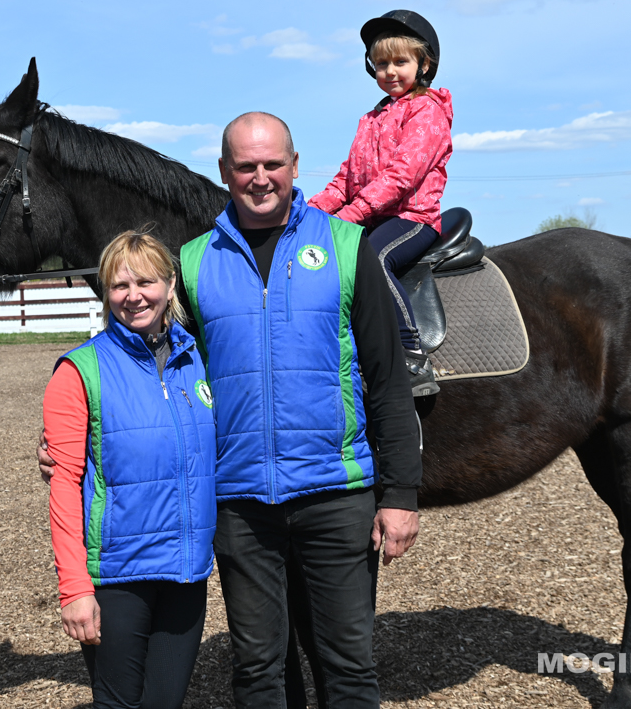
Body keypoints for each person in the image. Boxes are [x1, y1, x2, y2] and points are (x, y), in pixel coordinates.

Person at [179, 112, 422, 708]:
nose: (260, 178)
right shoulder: (192, 262)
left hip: (336, 496)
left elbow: (387, 380)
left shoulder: (345, 247)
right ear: (224, 172)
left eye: (271, 164)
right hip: (240, 505)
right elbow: (153, 370)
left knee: (347, 665)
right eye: (245, 166)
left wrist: (400, 494)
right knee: (258, 668)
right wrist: (73, 425)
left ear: (293, 167)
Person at [43, 229, 217, 709]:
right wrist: (74, 588)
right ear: (105, 293)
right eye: (119, 285)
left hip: (185, 571)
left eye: (146, 282)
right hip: (117, 576)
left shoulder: (197, 361)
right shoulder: (79, 370)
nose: (134, 296)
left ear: (169, 285)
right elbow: (64, 485)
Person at [308, 9, 454, 397]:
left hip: (413, 217)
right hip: (375, 214)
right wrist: (309, 212)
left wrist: (353, 213)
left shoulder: (428, 111)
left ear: (424, 64)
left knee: (371, 257)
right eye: (381, 64)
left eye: (400, 62)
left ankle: (410, 353)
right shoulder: (371, 119)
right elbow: (348, 177)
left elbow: (402, 175)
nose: (390, 71)